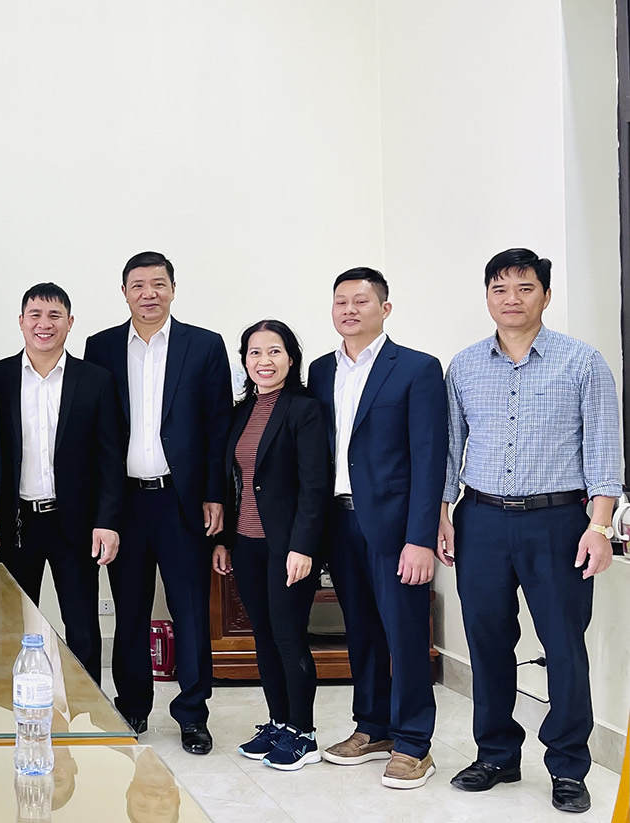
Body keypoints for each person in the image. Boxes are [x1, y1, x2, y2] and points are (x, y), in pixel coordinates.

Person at [438, 248, 620, 814]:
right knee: (487, 641)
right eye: (500, 289)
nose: (511, 299)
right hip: (481, 520)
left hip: (559, 522)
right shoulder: (464, 366)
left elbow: (605, 451)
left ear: (546, 295)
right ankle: (496, 754)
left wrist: (599, 527)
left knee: (564, 646)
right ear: (487, 297)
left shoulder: (582, 362)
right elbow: (449, 449)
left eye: (524, 288)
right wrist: (442, 514)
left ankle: (567, 765)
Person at [84, 251, 233, 754]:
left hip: (181, 501)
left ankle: (192, 714)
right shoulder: (101, 347)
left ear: (172, 288)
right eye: (138, 285)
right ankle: (132, 706)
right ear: (124, 292)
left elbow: (218, 427)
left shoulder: (204, 345)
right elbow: (98, 432)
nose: (149, 294)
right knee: (129, 611)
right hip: (124, 503)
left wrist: (214, 494)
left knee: (190, 611)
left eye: (158, 284)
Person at [307, 268, 447, 789]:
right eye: (340, 301)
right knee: (361, 632)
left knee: (405, 635)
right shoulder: (320, 370)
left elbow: (429, 458)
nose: (349, 310)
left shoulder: (416, 368)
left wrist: (420, 539)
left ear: (384, 309)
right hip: (339, 522)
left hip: (395, 528)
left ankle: (413, 743)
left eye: (361, 301)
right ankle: (372, 727)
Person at [0, 282, 122, 680]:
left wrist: (107, 521)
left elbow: (109, 460)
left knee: (82, 628)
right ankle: (14, 703)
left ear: (70, 322)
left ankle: (87, 707)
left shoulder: (95, 380)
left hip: (74, 524)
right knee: (12, 622)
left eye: (54, 315)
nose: (44, 324)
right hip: (15, 525)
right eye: (35, 315)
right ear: (21, 321)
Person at [211, 320, 329, 771]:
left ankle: (304, 733)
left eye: (274, 351)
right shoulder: (241, 411)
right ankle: (279, 722)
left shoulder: (305, 409)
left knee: (288, 637)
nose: (264, 361)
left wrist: (303, 547)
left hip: (288, 547)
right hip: (246, 545)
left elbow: (315, 486)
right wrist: (224, 541)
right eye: (255, 353)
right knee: (263, 637)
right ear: (245, 361)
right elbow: (234, 483)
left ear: (291, 358)